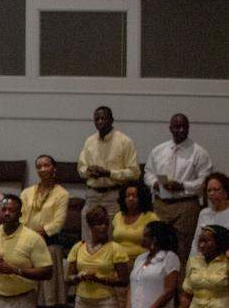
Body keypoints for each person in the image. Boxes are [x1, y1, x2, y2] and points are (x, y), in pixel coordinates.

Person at [145, 114, 212, 259]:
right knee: (158, 246)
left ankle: (181, 280)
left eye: (183, 127)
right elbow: (148, 173)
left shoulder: (199, 153)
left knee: (183, 248)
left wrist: (182, 186)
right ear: (170, 128)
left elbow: (205, 181)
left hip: (186, 205)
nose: (180, 130)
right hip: (161, 204)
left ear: (188, 128)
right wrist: (155, 183)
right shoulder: (158, 150)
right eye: (176, 127)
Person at [78, 106, 140, 242]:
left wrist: (109, 173)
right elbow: (81, 168)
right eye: (97, 119)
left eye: (103, 118)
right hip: (92, 194)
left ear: (111, 120)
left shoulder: (124, 141)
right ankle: (88, 261)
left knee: (111, 235)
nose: (100, 122)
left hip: (114, 194)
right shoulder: (89, 141)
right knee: (88, 234)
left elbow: (134, 173)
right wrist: (88, 171)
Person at [22, 154, 71, 307]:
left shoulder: (62, 193)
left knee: (49, 293)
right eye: (39, 166)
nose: (42, 169)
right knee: (29, 291)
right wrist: (28, 236)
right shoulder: (27, 193)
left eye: (46, 165)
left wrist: (35, 235)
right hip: (28, 245)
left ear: (54, 169)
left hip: (49, 245)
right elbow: (20, 218)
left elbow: (57, 224)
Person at [174, 225, 229, 308]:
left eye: (206, 241)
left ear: (219, 243)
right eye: (200, 241)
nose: (202, 245)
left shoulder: (226, 262)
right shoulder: (193, 261)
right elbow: (187, 294)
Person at [112, 181, 158, 264]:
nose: (130, 199)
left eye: (134, 196)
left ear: (142, 198)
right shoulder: (117, 216)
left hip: (141, 261)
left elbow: (157, 245)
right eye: (127, 196)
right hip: (118, 261)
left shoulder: (151, 217)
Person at [192, 173, 229, 258]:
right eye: (209, 190)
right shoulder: (204, 213)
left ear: (226, 192)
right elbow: (196, 242)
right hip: (205, 261)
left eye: (216, 190)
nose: (212, 193)